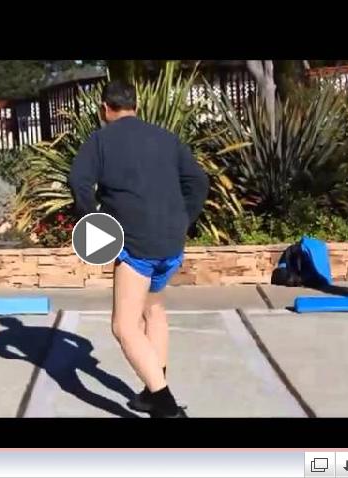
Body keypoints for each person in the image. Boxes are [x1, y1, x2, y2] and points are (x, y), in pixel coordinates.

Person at [68, 80, 210, 418]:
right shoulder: (166, 137)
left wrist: (95, 224)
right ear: (137, 105)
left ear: (104, 109)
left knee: (124, 327)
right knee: (153, 311)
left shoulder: (100, 140)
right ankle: (150, 390)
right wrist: (184, 219)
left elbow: (78, 182)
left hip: (136, 247)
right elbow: (199, 182)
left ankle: (165, 407)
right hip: (171, 243)